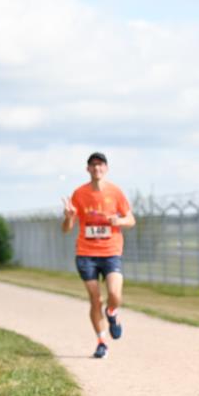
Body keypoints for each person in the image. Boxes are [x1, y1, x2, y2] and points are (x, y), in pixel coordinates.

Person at [62, 152, 136, 359]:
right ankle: (101, 341)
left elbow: (131, 219)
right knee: (95, 300)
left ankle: (112, 312)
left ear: (106, 168)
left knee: (115, 294)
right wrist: (68, 217)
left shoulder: (115, 192)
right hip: (86, 254)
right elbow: (67, 229)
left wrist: (118, 221)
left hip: (111, 252)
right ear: (88, 169)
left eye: (100, 165)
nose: (97, 168)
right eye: (93, 165)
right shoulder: (79, 194)